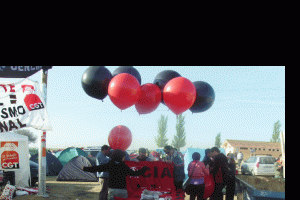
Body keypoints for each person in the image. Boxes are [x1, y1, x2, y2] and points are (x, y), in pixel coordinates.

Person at [83, 149, 150, 200]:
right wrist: (144, 169)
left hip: (112, 190)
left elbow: (98, 168)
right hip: (123, 190)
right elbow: (134, 173)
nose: (124, 158)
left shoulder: (110, 164)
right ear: (120, 157)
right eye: (123, 157)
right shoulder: (123, 166)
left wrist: (85, 168)